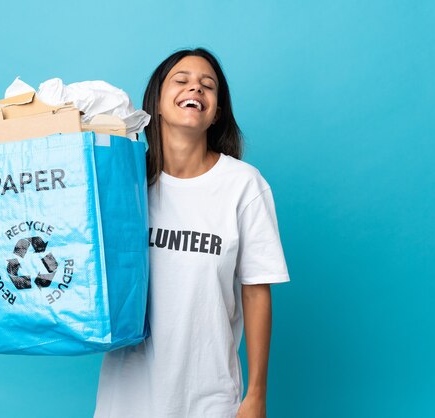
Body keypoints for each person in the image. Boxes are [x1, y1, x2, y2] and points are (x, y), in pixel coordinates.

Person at [94, 48, 290, 418]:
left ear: (216, 112)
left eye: (208, 86)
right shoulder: (125, 182)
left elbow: (257, 291)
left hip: (209, 396)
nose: (195, 89)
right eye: (181, 81)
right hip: (127, 393)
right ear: (158, 104)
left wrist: (256, 395)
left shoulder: (243, 186)